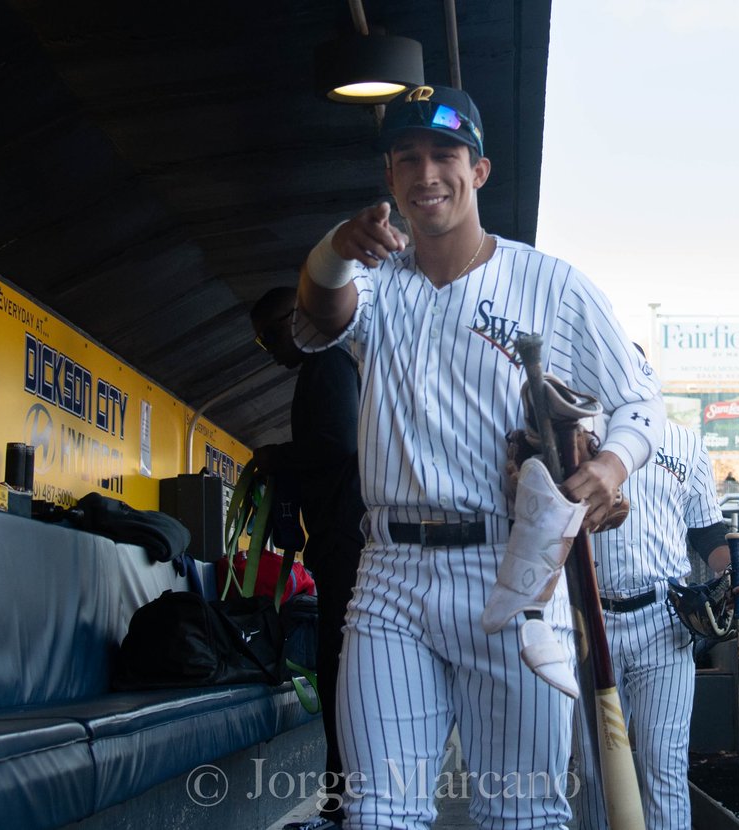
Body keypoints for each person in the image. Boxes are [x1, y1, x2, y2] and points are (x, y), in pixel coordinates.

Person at [293, 84, 664, 829]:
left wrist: (610, 466)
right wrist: (334, 246)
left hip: (513, 564)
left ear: (480, 171)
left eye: (445, 156)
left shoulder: (551, 284)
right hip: (390, 572)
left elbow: (641, 402)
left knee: (521, 815)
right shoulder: (375, 279)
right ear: (391, 180)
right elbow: (316, 314)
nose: (427, 174)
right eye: (409, 160)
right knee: (375, 814)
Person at [573, 388, 739, 829]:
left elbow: (707, 532)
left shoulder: (685, 441)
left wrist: (734, 573)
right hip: (591, 618)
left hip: (664, 617)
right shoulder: (580, 439)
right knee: (595, 769)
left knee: (664, 763)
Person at [250, 287, 366, 830]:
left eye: (271, 333)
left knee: (339, 670)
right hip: (339, 540)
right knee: (337, 669)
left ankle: (342, 809)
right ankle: (344, 806)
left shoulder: (327, 361)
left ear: (297, 317)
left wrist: (278, 457)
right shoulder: (323, 366)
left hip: (347, 540)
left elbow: (338, 442)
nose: (269, 348)